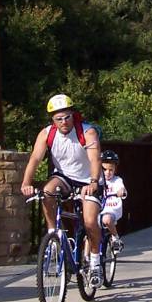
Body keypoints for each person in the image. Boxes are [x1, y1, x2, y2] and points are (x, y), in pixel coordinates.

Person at [21, 94, 104, 286]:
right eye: (58, 118)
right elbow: (35, 159)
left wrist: (93, 182)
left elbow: (95, 159)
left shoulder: (87, 132)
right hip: (64, 177)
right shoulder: (46, 134)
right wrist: (26, 182)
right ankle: (53, 233)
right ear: (52, 120)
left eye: (67, 117)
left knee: (90, 222)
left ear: (73, 115)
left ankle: (95, 261)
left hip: (87, 179)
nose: (64, 122)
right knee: (48, 190)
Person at [99, 150, 127, 252]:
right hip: (99, 209)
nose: (107, 172)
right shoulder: (97, 181)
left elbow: (122, 189)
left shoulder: (117, 180)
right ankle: (86, 258)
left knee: (107, 219)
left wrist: (121, 191)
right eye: (104, 169)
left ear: (115, 169)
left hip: (112, 209)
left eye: (111, 170)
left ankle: (115, 237)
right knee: (90, 228)